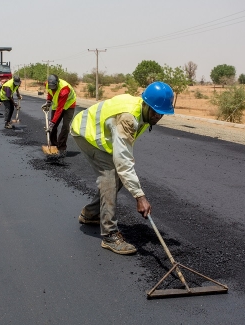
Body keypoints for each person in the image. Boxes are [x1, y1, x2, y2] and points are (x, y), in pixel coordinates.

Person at [71, 81, 175, 255]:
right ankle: (110, 235)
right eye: (157, 112)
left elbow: (123, 158)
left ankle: (90, 214)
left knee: (118, 177)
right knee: (110, 178)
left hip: (101, 135)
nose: (159, 117)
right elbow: (123, 162)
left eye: (162, 114)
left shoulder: (141, 109)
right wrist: (139, 196)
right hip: (86, 133)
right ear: (147, 105)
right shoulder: (128, 118)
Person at [41, 74, 76, 158]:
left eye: (54, 86)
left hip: (69, 105)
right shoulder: (47, 84)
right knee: (53, 127)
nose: (52, 87)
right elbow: (50, 92)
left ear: (57, 83)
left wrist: (52, 122)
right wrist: (49, 101)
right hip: (57, 104)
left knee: (65, 127)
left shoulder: (64, 89)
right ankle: (53, 145)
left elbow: (60, 108)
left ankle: (62, 148)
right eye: (51, 86)